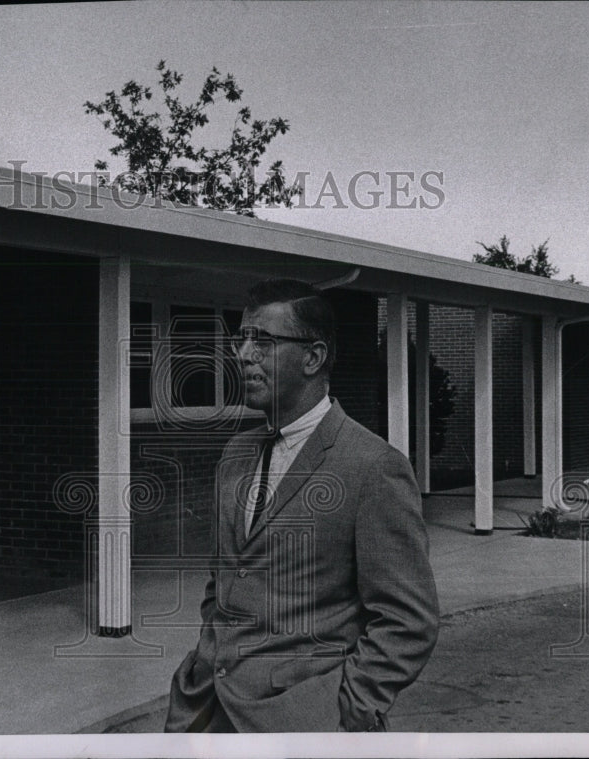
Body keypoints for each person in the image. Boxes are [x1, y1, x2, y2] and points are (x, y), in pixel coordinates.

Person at [164, 278, 439, 733]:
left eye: (264, 341)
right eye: (242, 338)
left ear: (313, 357)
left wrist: (350, 705)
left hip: (304, 723)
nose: (244, 354)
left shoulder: (373, 467)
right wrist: (202, 664)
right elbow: (224, 581)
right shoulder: (234, 454)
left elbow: (408, 620)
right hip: (207, 713)